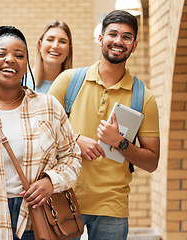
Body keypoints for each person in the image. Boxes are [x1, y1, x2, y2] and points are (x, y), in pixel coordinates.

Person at [0, 25, 82, 240]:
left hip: (38, 221)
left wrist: (51, 181)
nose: (10, 59)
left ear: (25, 64)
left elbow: (72, 158)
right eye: (1, 54)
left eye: (19, 55)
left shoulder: (49, 107)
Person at [48, 10, 160, 240]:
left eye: (127, 37)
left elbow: (152, 162)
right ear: (101, 38)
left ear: (134, 45)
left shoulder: (144, 98)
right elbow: (38, 131)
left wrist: (120, 143)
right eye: (113, 34)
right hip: (65, 196)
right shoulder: (68, 81)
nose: (119, 41)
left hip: (112, 207)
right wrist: (75, 140)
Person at [26, 20, 73, 93]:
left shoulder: (76, 88)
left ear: (69, 50)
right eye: (50, 40)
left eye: (62, 42)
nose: (55, 46)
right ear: (40, 45)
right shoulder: (22, 84)